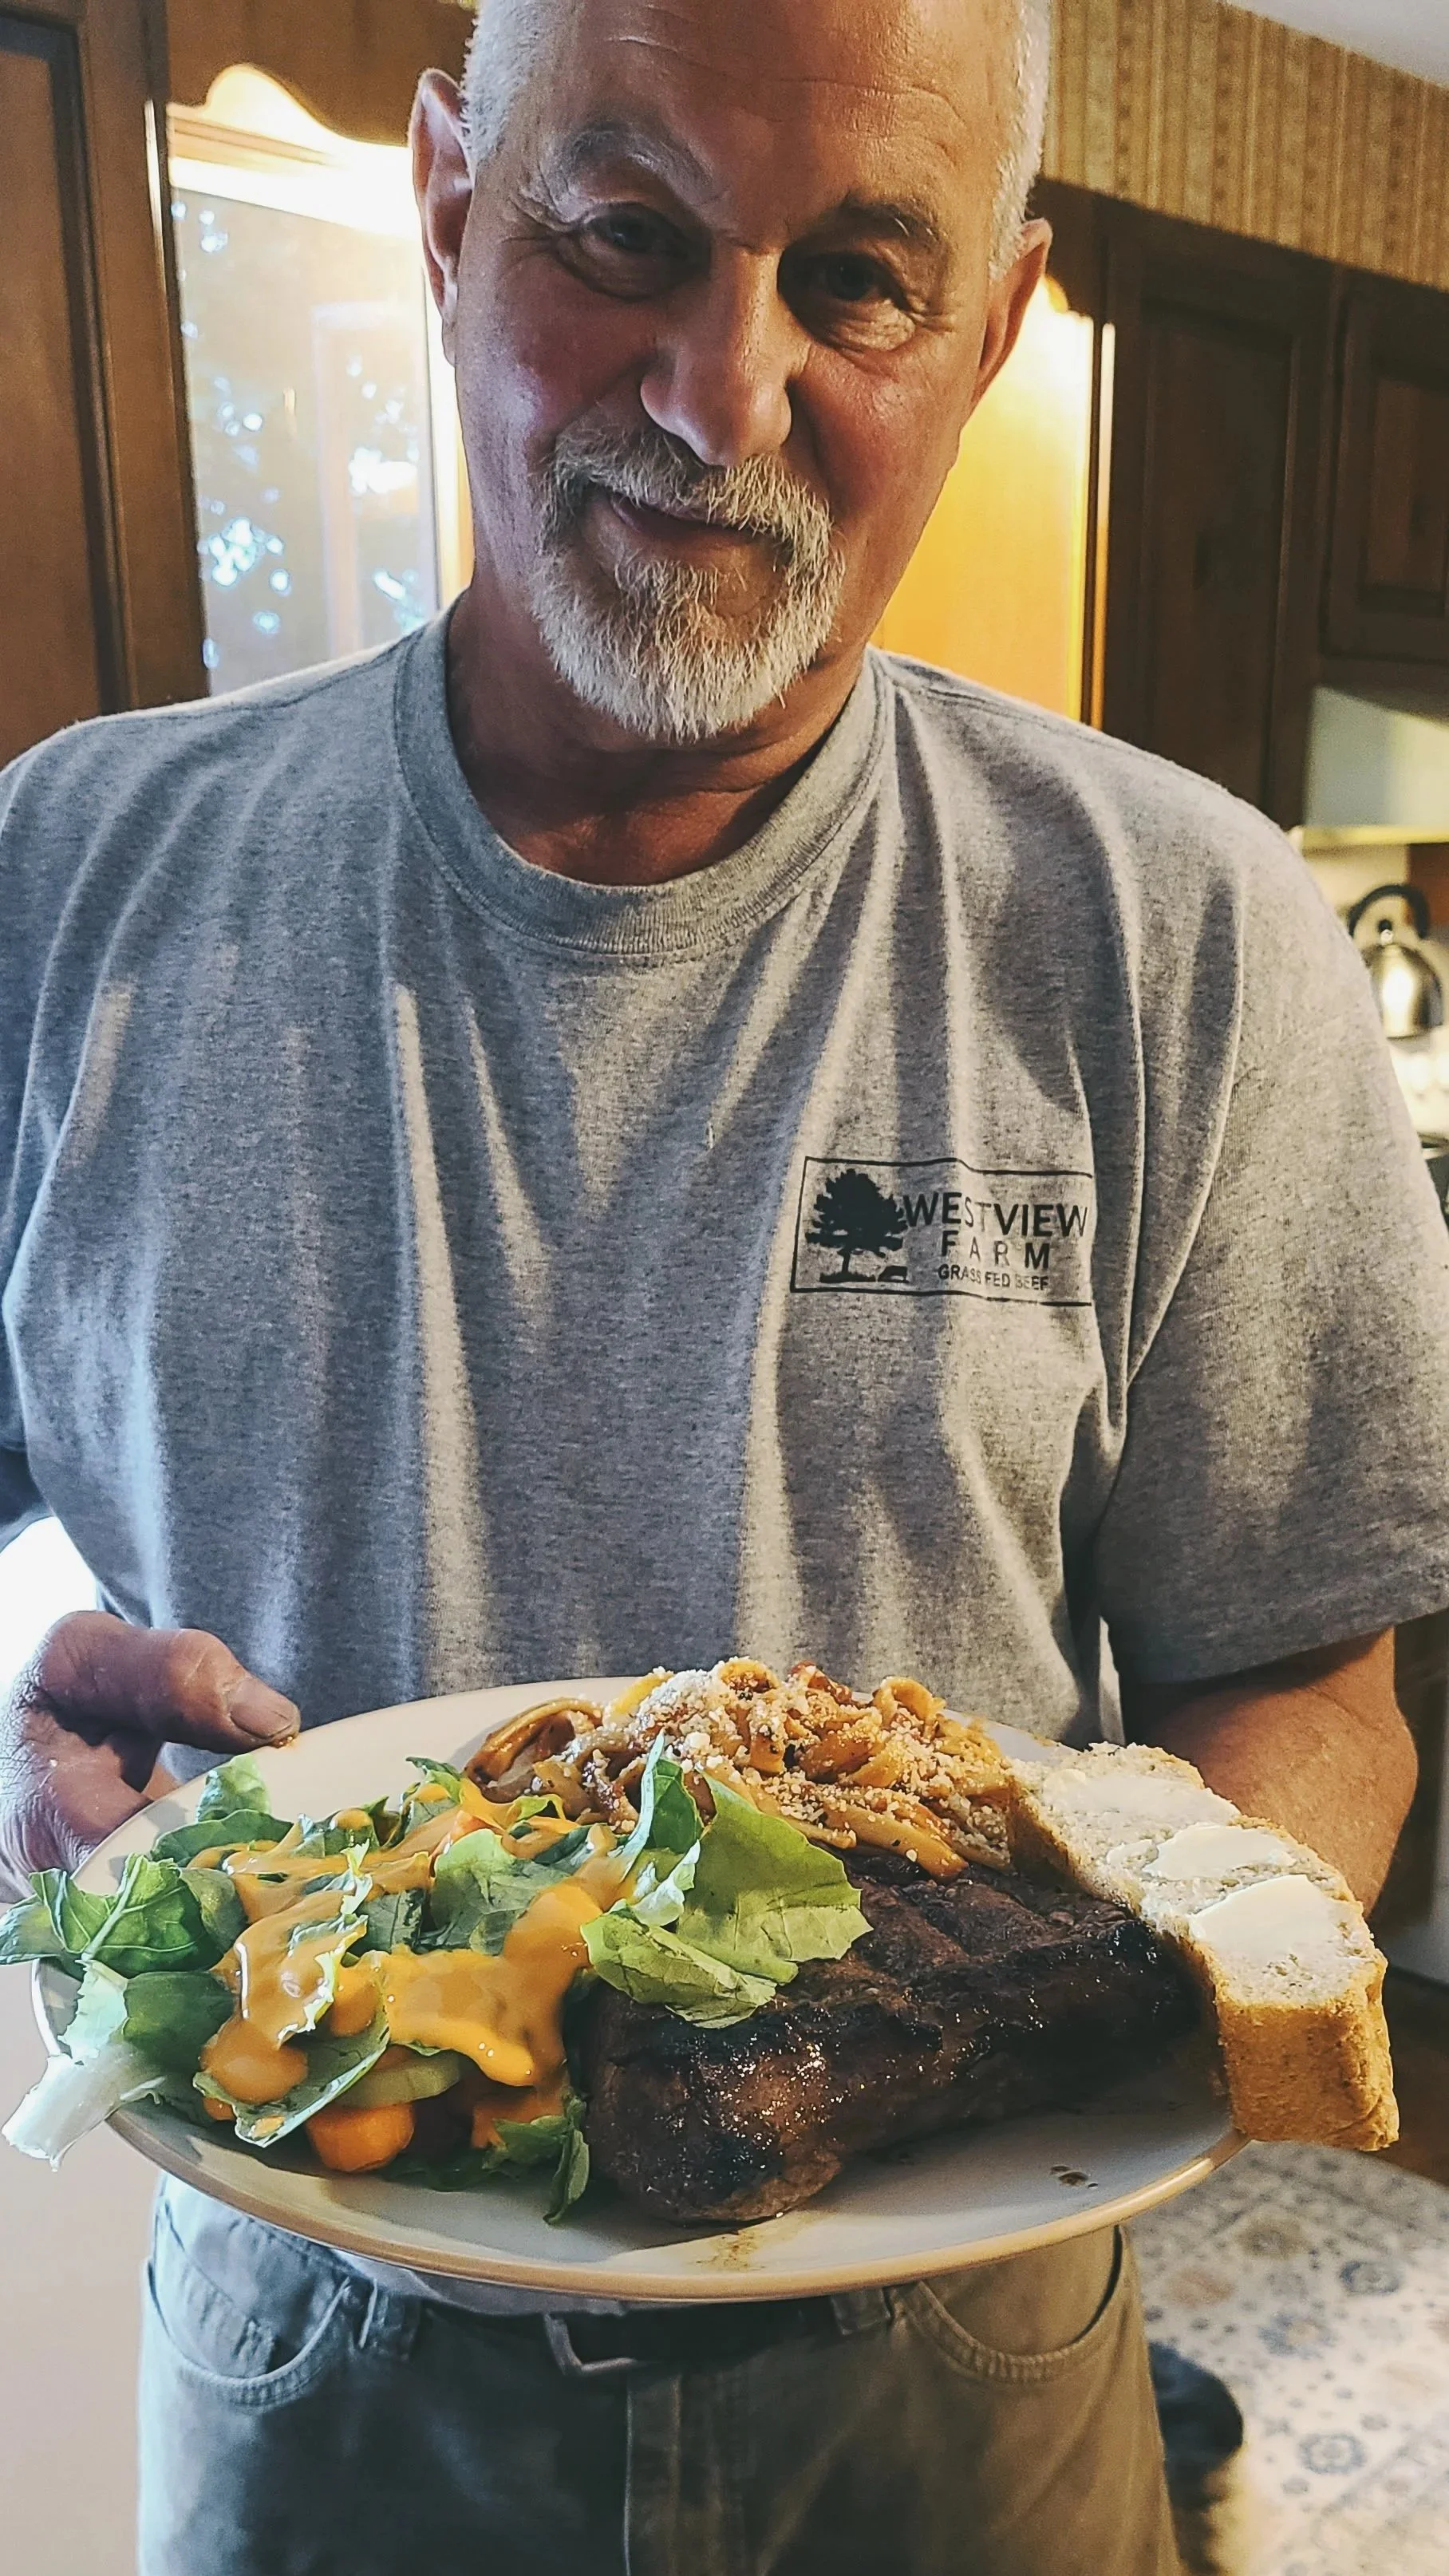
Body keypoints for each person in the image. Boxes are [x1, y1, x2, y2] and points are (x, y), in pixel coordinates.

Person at [2, 0, 1446, 2567]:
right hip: (315, 2379)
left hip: (965, 2395)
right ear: (448, 209)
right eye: (621, 233)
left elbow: (1311, 1688)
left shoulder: (1191, 937)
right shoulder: (63, 891)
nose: (721, 385)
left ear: (995, 326)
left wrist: (1067, 1997)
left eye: (859, 277)